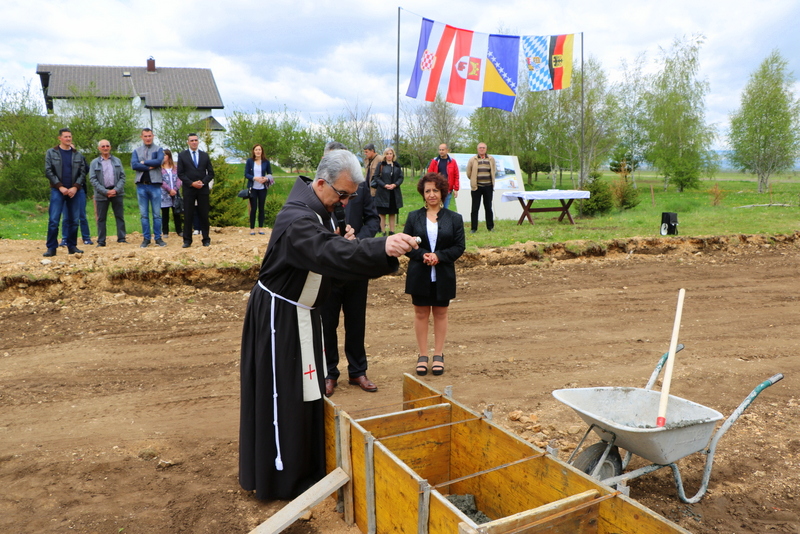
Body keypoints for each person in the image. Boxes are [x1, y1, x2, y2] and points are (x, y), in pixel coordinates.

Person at [239, 149, 419, 501]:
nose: (346, 202)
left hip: (299, 314)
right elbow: (329, 254)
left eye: (352, 196)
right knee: (284, 398)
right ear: (321, 183)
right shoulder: (298, 220)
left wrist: (348, 241)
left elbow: (330, 251)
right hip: (279, 320)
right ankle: (281, 477)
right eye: (343, 195)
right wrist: (383, 247)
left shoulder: (315, 211)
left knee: (306, 393)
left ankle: (304, 467)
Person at [320, 142, 381, 397]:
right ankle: (329, 373)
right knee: (328, 323)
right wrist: (331, 238)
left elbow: (373, 220)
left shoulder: (361, 188)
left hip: (356, 265)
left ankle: (357, 371)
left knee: (356, 321)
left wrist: (359, 241)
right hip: (329, 267)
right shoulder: (319, 191)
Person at [403, 172, 465, 376]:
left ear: (442, 193)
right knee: (421, 313)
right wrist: (423, 256)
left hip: (443, 273)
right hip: (419, 273)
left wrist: (439, 256)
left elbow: (459, 246)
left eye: (435, 191)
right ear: (423, 193)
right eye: (428, 191)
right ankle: (422, 355)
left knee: (440, 313)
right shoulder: (413, 217)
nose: (431, 194)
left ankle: (438, 354)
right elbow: (408, 245)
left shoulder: (455, 218)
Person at [44, 128, 88, 256]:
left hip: (74, 191)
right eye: (66, 137)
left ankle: (72, 246)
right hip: (58, 190)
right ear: (60, 138)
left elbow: (83, 172)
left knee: (74, 220)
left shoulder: (78, 155)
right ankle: (51, 248)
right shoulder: (51, 153)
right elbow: (48, 171)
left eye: (70, 136)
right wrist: (60, 186)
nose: (68, 139)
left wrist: (75, 187)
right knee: (54, 220)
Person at [177, 133, 215, 247]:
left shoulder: (204, 155)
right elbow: (180, 173)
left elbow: (211, 173)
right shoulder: (182, 155)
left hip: (202, 189)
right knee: (188, 214)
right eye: (192, 140)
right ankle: (187, 240)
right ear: (188, 142)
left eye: (196, 140)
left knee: (204, 214)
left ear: (198, 142)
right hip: (189, 189)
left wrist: (203, 182)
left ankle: (206, 239)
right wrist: (191, 183)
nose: (194, 142)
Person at [131, 128, 166, 248]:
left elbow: (158, 161)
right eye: (145, 136)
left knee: (157, 214)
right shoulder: (136, 150)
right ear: (141, 137)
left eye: (149, 136)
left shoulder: (159, 149)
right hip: (141, 185)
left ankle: (158, 238)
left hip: (155, 185)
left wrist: (143, 163)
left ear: (153, 136)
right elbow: (134, 165)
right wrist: (149, 166)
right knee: (144, 215)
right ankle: (146, 238)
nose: (148, 138)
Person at [88, 139, 127, 246]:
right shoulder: (94, 163)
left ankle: (121, 238)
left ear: (110, 147)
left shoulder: (117, 161)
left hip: (117, 192)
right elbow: (92, 179)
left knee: (119, 216)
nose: (105, 148)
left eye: (107, 146)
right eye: (103, 146)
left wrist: (116, 190)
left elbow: (123, 177)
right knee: (101, 218)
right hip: (101, 194)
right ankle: (101, 241)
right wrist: (105, 191)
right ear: (99, 148)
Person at [371, 147, 404, 236]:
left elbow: (401, 177)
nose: (389, 155)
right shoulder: (381, 165)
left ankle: (392, 231)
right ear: (385, 155)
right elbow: (376, 177)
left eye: (391, 153)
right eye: (387, 154)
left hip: (394, 192)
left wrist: (395, 184)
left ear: (393, 155)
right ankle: (383, 231)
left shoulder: (397, 165)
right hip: (383, 193)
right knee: (382, 213)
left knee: (392, 212)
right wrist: (384, 185)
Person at [466, 142, 497, 233]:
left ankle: (490, 227)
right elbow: (469, 173)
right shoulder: (473, 159)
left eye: (483, 148)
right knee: (475, 208)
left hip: (488, 186)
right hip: (476, 187)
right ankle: (474, 228)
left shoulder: (491, 159)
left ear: (486, 149)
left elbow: (493, 170)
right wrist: (473, 181)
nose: (482, 149)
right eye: (480, 148)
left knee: (488, 207)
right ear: (477, 149)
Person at [244, 144, 273, 235]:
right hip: (253, 188)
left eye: (259, 150)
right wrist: (254, 178)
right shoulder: (249, 161)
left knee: (261, 208)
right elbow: (246, 174)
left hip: (262, 188)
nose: (258, 151)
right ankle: (252, 228)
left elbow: (270, 173)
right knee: (253, 208)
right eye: (256, 150)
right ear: (253, 151)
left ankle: (260, 227)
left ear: (262, 151)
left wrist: (266, 179)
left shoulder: (266, 162)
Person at [427, 143, 460, 209]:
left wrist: (456, 189)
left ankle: (443, 219)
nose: (441, 151)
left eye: (443, 150)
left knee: (445, 209)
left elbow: (456, 175)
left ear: (447, 150)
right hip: (436, 189)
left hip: (447, 190)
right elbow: (429, 175)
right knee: (436, 208)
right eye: (440, 150)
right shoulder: (434, 161)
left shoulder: (452, 162)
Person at [160, 149, 182, 238]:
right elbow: (161, 181)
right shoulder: (160, 169)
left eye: (165, 155)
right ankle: (165, 232)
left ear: (169, 156)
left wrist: (175, 189)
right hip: (164, 193)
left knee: (177, 213)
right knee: (165, 213)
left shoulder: (175, 168)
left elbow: (180, 179)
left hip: (175, 193)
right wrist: (169, 189)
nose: (163, 157)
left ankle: (179, 230)